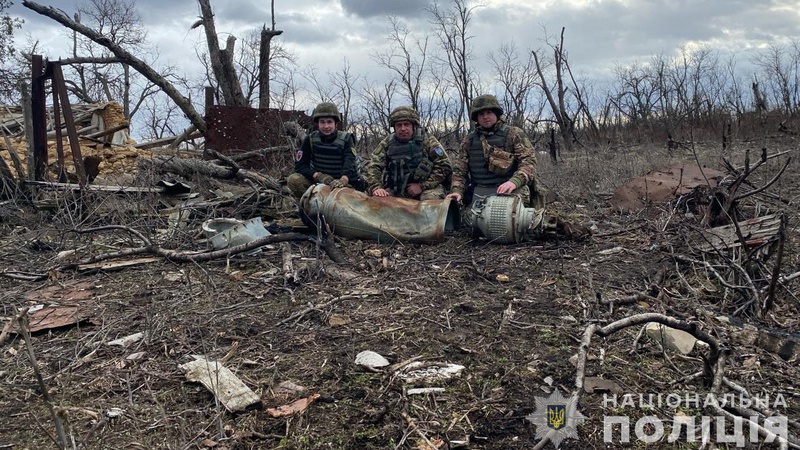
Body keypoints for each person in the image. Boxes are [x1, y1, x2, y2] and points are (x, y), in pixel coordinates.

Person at [447, 94, 545, 220]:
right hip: (480, 191)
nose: (485, 117)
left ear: (496, 113)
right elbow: (460, 171)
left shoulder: (513, 134)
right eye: (481, 114)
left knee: (508, 219)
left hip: (510, 189)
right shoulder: (469, 140)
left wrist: (514, 182)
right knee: (471, 220)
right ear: (476, 117)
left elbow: (528, 162)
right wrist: (457, 191)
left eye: (489, 112)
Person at [364, 106, 452, 201]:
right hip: (397, 189)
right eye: (399, 125)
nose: (403, 128)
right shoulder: (387, 143)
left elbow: (444, 165)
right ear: (394, 127)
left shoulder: (428, 140)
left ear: (414, 126)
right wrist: (377, 188)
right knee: (378, 201)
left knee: (430, 201)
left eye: (406, 124)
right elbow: (374, 166)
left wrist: (422, 186)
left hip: (428, 188)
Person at [286, 102, 362, 198]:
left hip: (343, 183)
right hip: (319, 182)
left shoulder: (346, 139)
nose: (326, 126)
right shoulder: (310, 139)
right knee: (293, 180)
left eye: (329, 122)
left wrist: (343, 179)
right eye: (322, 122)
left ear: (335, 123)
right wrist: (318, 175)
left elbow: (350, 162)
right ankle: (309, 203)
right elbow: (300, 165)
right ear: (318, 123)